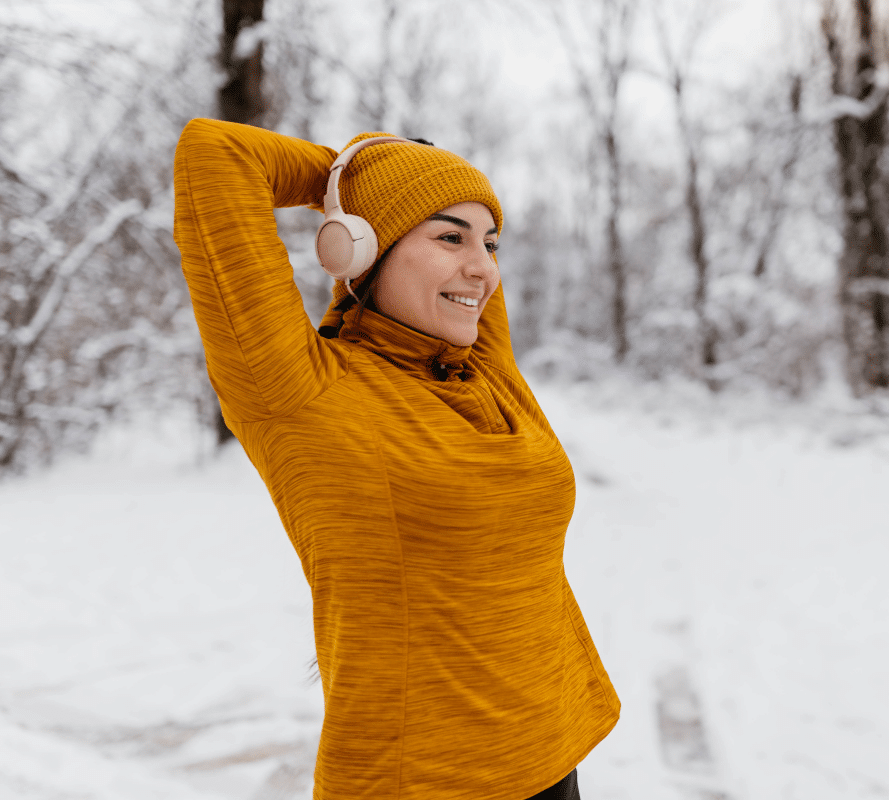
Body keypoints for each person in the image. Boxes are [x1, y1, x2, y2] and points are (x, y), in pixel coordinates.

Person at [173, 118, 620, 800]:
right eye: (449, 237)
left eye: (490, 243)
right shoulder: (305, 394)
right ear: (359, 248)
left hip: (553, 757)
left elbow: (472, 284)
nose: (483, 269)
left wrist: (405, 174)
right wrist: (351, 177)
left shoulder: (481, 372)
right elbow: (216, 152)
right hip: (422, 781)